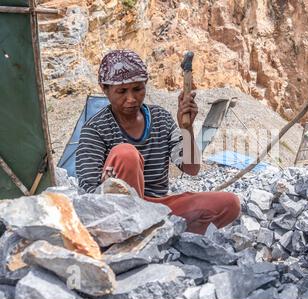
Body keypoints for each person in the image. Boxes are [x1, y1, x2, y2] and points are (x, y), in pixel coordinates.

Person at [75, 49, 240, 234]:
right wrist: (110, 185)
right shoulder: (95, 129)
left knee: (229, 203)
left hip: (158, 208)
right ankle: (137, 234)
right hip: (118, 213)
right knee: (125, 154)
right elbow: (88, 192)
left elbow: (191, 169)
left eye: (138, 89)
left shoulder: (160, 118)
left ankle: (163, 233)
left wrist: (187, 127)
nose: (131, 98)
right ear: (104, 89)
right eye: (121, 91)